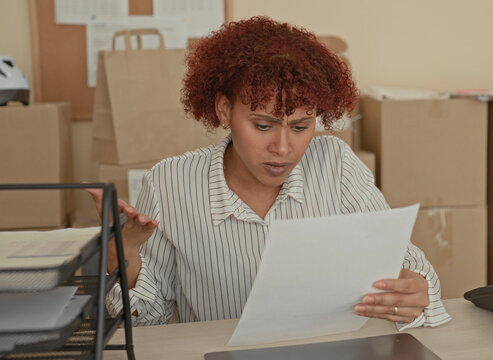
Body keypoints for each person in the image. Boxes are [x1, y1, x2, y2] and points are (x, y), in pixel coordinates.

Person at [87, 16, 451, 329]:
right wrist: (126, 255)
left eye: (300, 126)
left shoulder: (336, 165)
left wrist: (416, 291)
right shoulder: (170, 183)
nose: (282, 147)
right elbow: (145, 322)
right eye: (263, 126)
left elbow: (412, 270)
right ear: (224, 110)